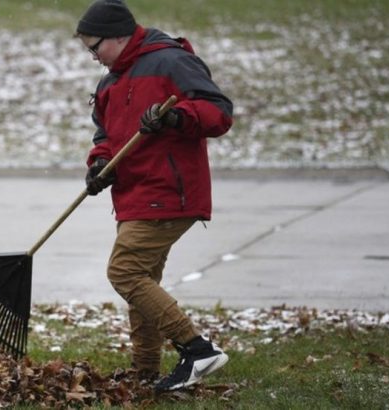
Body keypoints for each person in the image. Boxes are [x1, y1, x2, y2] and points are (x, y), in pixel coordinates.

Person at [75, 0, 234, 393]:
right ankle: (145, 370)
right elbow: (104, 137)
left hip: (170, 191)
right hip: (134, 194)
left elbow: (218, 113)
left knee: (124, 272)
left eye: (95, 46)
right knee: (141, 280)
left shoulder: (169, 62)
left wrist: (176, 118)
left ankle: (197, 349)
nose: (92, 56)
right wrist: (99, 167)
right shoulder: (110, 82)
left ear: (118, 35)